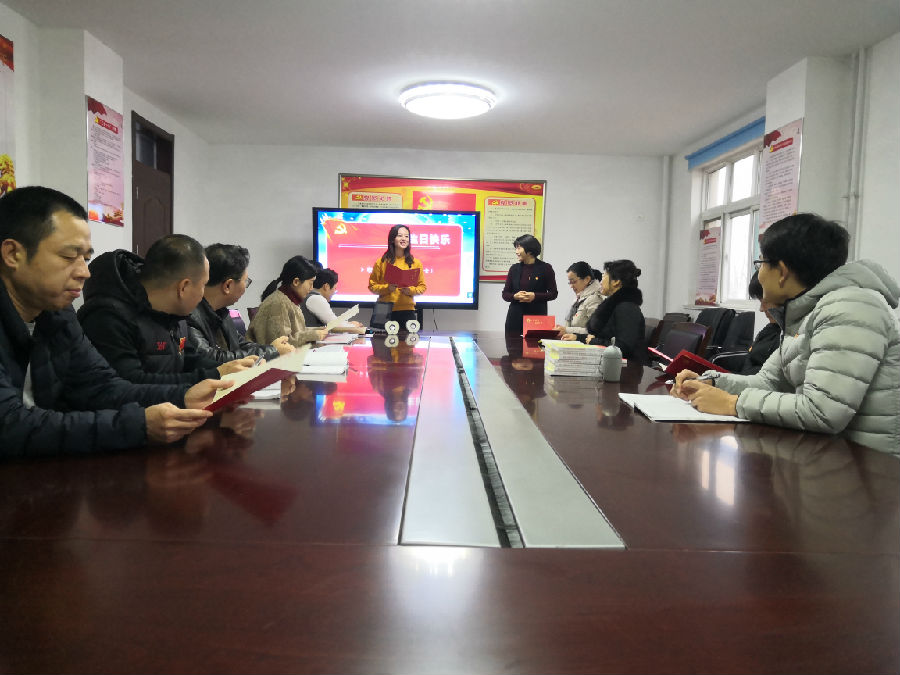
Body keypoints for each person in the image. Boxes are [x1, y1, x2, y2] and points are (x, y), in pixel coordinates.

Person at [0, 185, 230, 457]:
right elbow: (9, 426)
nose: (84, 272)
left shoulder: (57, 315)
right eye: (69, 256)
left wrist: (183, 396)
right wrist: (137, 425)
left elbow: (103, 386)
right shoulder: (101, 314)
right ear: (13, 254)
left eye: (86, 258)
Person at [672, 213, 900, 456]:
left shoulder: (850, 307)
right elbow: (767, 382)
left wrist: (732, 404)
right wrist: (712, 383)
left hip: (867, 466)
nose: (759, 274)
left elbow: (822, 412)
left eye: (760, 264)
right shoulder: (804, 314)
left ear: (781, 271)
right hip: (823, 455)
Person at [78, 235, 256, 385]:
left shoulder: (175, 315)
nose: (203, 294)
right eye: (203, 285)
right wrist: (215, 375)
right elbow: (131, 383)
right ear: (184, 287)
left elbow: (188, 357)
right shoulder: (108, 318)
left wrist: (227, 369)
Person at [187, 243, 294, 364]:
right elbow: (211, 359)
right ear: (228, 286)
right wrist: (273, 351)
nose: (246, 287)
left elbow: (240, 345)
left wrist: (272, 349)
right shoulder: (188, 315)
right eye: (246, 281)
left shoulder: (220, 311)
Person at [561, 259, 647, 363]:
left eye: (604, 277)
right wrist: (578, 337)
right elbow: (604, 337)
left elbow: (624, 348)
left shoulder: (627, 308)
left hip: (628, 369)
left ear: (616, 281)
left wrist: (594, 341)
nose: (600, 282)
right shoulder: (614, 306)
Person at [246, 254, 328, 348]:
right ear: (296, 282)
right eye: (310, 283)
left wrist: (317, 331)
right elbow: (281, 344)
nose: (312, 288)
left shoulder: (289, 300)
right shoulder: (278, 304)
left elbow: (296, 332)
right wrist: (313, 335)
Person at [368, 224, 426, 326]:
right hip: (383, 308)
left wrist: (410, 290)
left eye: (406, 236)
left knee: (407, 336)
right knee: (380, 336)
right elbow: (372, 286)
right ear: (392, 239)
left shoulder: (415, 263)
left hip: (407, 309)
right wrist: (387, 288)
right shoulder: (381, 262)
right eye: (400, 236)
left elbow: (422, 287)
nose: (404, 239)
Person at [501, 234, 558, 335]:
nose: (516, 252)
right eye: (516, 248)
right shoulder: (514, 269)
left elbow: (553, 293)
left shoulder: (546, 268)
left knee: (535, 345)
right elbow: (505, 294)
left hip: (536, 319)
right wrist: (515, 296)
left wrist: (535, 296)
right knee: (512, 345)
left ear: (529, 250)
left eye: (519, 248)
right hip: (514, 318)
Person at [736, 270, 781, 375]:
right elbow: (749, 361)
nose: (761, 309)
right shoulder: (769, 330)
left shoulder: (791, 337)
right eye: (761, 302)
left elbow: (769, 379)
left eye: (765, 302)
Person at [302, 267, 365, 333]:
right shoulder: (316, 299)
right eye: (335, 288)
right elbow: (334, 325)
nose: (334, 292)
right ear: (326, 286)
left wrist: (348, 324)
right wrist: (354, 326)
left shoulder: (310, 296)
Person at [553, 261, 604, 337]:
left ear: (587, 279)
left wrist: (566, 330)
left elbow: (595, 331)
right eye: (569, 282)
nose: (571, 286)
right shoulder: (579, 299)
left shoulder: (595, 299)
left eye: (573, 282)